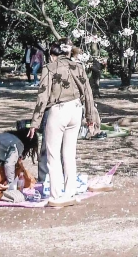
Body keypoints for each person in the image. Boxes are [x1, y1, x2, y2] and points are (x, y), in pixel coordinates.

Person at [30, 41, 100, 204]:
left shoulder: (49, 68)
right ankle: (70, 193)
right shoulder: (79, 67)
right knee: (69, 154)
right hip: (76, 110)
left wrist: (35, 123)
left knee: (53, 155)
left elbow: (42, 96)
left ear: (53, 55)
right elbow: (88, 94)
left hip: (58, 110)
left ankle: (56, 196)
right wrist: (90, 118)